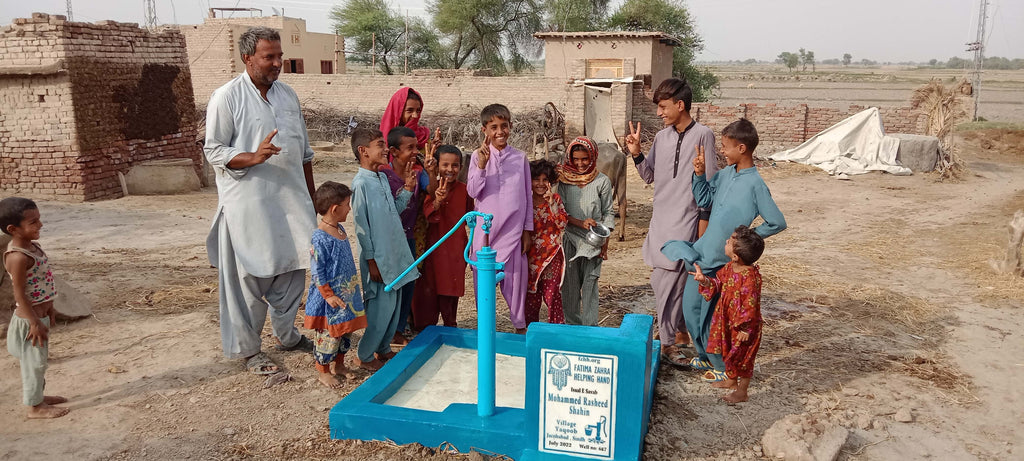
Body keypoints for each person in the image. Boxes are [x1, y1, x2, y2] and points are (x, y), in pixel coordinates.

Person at [203, 26, 317, 375]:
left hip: (292, 203)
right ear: (247, 58)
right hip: (248, 207)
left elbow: (305, 154)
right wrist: (252, 156)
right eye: (269, 57)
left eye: (279, 56)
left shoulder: (288, 96)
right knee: (248, 281)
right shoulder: (227, 96)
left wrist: (313, 203)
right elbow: (214, 149)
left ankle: (287, 335)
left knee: (294, 269)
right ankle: (250, 350)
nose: (277, 63)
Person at [662, 118, 786, 382]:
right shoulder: (726, 174)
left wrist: (744, 241)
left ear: (742, 148)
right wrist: (698, 174)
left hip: (721, 262)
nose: (722, 151)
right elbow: (705, 199)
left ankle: (719, 365)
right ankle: (704, 356)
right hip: (703, 253)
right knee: (691, 309)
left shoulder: (756, 185)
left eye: (726, 147)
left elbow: (777, 221)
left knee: (713, 317)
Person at [625, 78, 720, 365]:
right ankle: (679, 335)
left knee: (668, 283)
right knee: (666, 282)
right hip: (660, 222)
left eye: (663, 107)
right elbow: (649, 176)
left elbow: (710, 186)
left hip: (686, 221)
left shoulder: (704, 135)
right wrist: (637, 153)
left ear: (680, 105)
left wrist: (702, 228)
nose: (659, 113)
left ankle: (667, 343)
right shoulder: (662, 138)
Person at [350, 128, 420, 371]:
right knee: (379, 308)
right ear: (364, 151)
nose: (385, 149)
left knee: (393, 305)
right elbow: (361, 227)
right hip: (378, 259)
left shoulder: (381, 178)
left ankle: (383, 349)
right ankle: (364, 354)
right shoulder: (360, 184)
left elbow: (394, 213)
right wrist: (371, 260)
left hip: (394, 254)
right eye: (380, 144)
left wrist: (408, 190)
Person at [467, 104, 533, 334]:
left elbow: (527, 195)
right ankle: (486, 332)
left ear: (511, 127)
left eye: (504, 126)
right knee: (482, 287)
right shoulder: (477, 157)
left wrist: (527, 230)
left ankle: (520, 328)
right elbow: (473, 191)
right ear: (484, 129)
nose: (500, 132)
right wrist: (482, 167)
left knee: (515, 285)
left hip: (513, 233)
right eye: (493, 127)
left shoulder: (520, 158)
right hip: (485, 236)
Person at [2, 198, 69, 419]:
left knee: (38, 362)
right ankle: (35, 407)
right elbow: (20, 294)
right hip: (30, 322)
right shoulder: (18, 257)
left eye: (39, 219)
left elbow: (41, 282)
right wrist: (34, 322)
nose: (40, 225)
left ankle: (38, 395)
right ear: (13, 229)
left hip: (40, 316)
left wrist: (50, 308)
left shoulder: (33, 247)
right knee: (35, 365)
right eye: (33, 222)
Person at [689, 226, 765, 403]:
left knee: (744, 358)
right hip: (727, 321)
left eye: (730, 242)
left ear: (736, 255)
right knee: (729, 351)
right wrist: (704, 280)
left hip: (745, 328)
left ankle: (742, 392)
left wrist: (745, 329)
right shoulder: (730, 268)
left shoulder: (750, 278)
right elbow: (717, 284)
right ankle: (731, 381)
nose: (726, 242)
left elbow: (750, 307)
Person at [304, 182, 367, 388]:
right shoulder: (320, 237)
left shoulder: (338, 229)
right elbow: (317, 271)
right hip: (331, 300)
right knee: (328, 336)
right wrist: (328, 295)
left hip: (347, 297)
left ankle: (339, 365)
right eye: (347, 204)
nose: (349, 208)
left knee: (344, 333)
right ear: (334, 208)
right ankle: (323, 371)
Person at [380, 126, 436, 345]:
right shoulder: (384, 175)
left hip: (409, 237)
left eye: (416, 147)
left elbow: (430, 190)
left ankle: (399, 328)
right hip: (389, 239)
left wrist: (431, 172)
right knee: (392, 284)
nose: (415, 151)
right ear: (393, 151)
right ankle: (388, 329)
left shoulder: (419, 172)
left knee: (408, 284)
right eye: (409, 148)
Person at [413, 145, 475, 330]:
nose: (450, 170)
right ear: (437, 166)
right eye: (445, 165)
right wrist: (437, 201)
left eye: (455, 165)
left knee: (451, 289)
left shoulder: (465, 190)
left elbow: (471, 214)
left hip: (455, 248)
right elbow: (428, 214)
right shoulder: (429, 188)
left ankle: (450, 325)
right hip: (433, 247)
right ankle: (424, 328)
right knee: (428, 289)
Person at [557, 137, 615, 326]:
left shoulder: (602, 181)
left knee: (590, 284)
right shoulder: (564, 181)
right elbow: (562, 212)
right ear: (570, 158)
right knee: (570, 286)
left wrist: (605, 244)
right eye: (576, 159)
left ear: (593, 157)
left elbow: (607, 212)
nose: (580, 164)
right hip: (571, 239)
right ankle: (573, 327)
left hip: (594, 240)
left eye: (585, 159)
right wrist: (580, 223)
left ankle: (591, 329)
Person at [526, 159, 567, 325]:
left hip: (551, 255)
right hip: (530, 257)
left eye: (545, 180)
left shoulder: (555, 199)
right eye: (536, 179)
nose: (541, 184)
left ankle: (556, 333)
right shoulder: (525, 202)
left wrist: (552, 206)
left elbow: (562, 224)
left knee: (552, 295)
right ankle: (529, 333)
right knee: (531, 298)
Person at [380, 87, 431, 152]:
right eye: (409, 110)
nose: (415, 116)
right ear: (398, 111)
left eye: (418, 111)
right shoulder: (382, 140)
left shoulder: (424, 136)